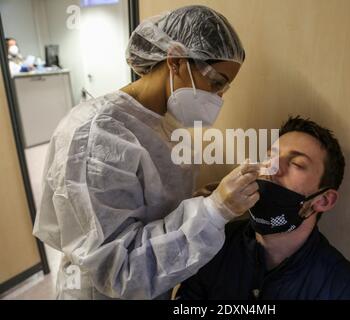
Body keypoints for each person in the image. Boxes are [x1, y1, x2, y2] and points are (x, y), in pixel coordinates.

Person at [33, 5, 260, 300]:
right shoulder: (96, 136)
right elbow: (120, 270)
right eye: (216, 82)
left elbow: (148, 212)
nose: (219, 98)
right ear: (176, 61)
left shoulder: (164, 125)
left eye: (225, 88)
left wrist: (196, 202)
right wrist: (214, 211)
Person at [176, 116, 350, 300]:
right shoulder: (215, 243)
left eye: (297, 164)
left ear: (324, 200)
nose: (273, 167)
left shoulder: (344, 289)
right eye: (269, 156)